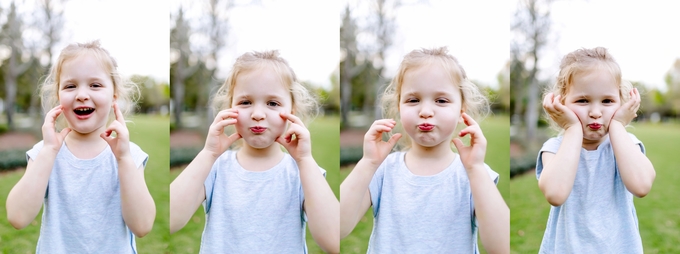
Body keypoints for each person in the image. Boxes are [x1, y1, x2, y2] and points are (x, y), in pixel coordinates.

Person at [340, 47, 509, 253]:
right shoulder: (383, 170)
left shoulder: (474, 174)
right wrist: (368, 163)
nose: (426, 112)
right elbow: (338, 228)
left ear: (461, 111)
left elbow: (500, 247)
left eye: (441, 101)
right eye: (413, 100)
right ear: (400, 107)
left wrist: (476, 170)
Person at [169, 50, 339, 253]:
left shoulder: (303, 172)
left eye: (273, 103)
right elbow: (172, 220)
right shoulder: (215, 167)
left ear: (292, 111)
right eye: (245, 102)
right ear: (230, 107)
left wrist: (305, 161)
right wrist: (208, 154)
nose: (258, 114)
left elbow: (332, 241)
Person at [5, 40, 155, 253]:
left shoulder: (128, 154)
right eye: (70, 86)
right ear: (58, 96)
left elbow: (142, 226)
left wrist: (124, 160)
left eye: (95, 85)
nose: (82, 94)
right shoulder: (44, 151)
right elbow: (18, 218)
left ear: (114, 96)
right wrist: (49, 152)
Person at [537, 47, 655, 253]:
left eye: (607, 101)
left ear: (622, 102)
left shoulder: (627, 144)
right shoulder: (555, 148)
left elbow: (642, 186)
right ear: (561, 103)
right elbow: (555, 194)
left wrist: (617, 126)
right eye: (582, 101)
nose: (595, 112)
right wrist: (572, 128)